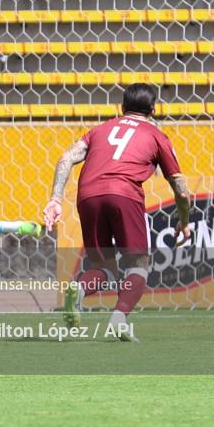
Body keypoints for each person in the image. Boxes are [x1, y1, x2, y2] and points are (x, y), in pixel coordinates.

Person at [42, 83, 192, 342]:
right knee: (138, 265)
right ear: (153, 110)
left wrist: (56, 198)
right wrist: (184, 221)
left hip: (88, 196)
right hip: (125, 195)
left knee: (104, 268)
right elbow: (180, 190)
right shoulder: (157, 135)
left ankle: (78, 288)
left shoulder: (99, 130)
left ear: (122, 108)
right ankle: (119, 319)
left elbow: (66, 158)